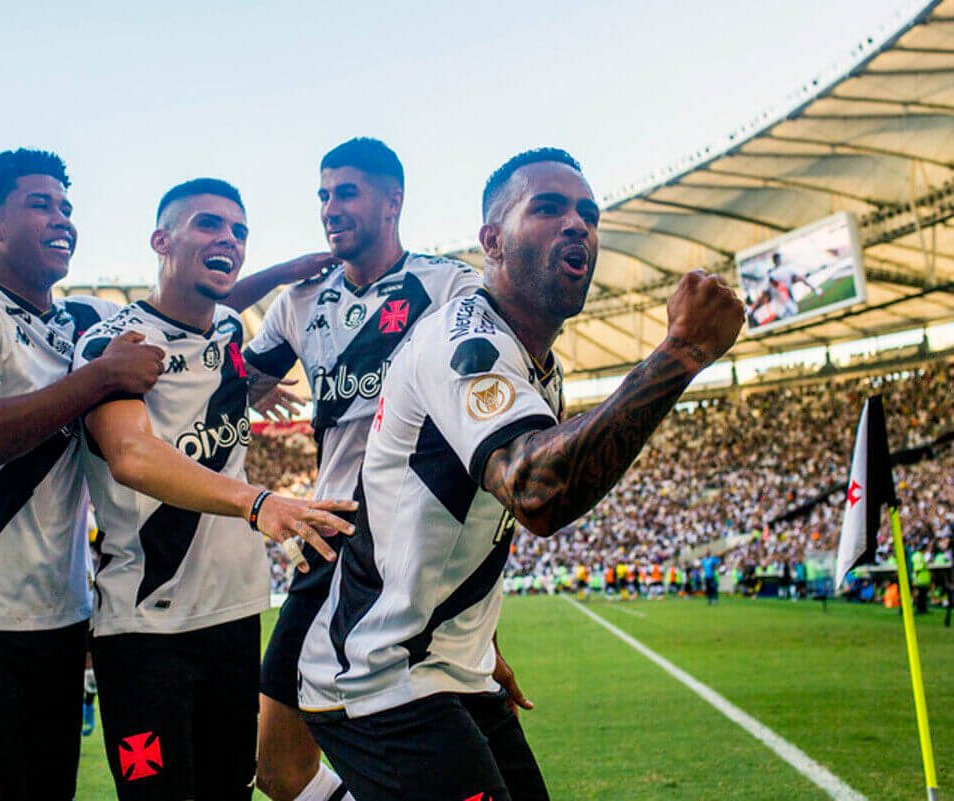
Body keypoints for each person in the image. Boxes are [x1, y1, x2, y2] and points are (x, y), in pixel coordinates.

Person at [296, 147, 744, 799]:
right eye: (549, 208)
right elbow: (537, 492)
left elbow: (474, 520)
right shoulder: (464, 340)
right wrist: (680, 353)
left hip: (452, 667)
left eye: (589, 214)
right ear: (492, 242)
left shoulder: (538, 369)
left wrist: (485, 641)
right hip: (379, 675)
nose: (578, 225)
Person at [242, 138, 513, 801]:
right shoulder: (300, 302)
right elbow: (219, 382)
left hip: (413, 532)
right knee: (278, 768)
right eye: (324, 196)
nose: (331, 208)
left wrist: (486, 632)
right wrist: (271, 277)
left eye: (347, 193)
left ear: (393, 200)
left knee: (416, 730)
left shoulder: (448, 287)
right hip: (328, 531)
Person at [0, 148, 165, 801]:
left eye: (67, 206)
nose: (63, 218)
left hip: (58, 627)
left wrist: (295, 279)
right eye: (40, 204)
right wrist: (96, 378)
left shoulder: (84, 320)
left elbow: (184, 308)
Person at [73, 178, 357, 801]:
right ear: (161, 240)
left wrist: (280, 285)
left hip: (234, 611)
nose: (228, 239)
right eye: (209, 224)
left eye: (239, 231)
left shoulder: (229, 334)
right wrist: (257, 503)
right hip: (148, 628)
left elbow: (217, 319)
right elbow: (131, 454)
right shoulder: (114, 344)